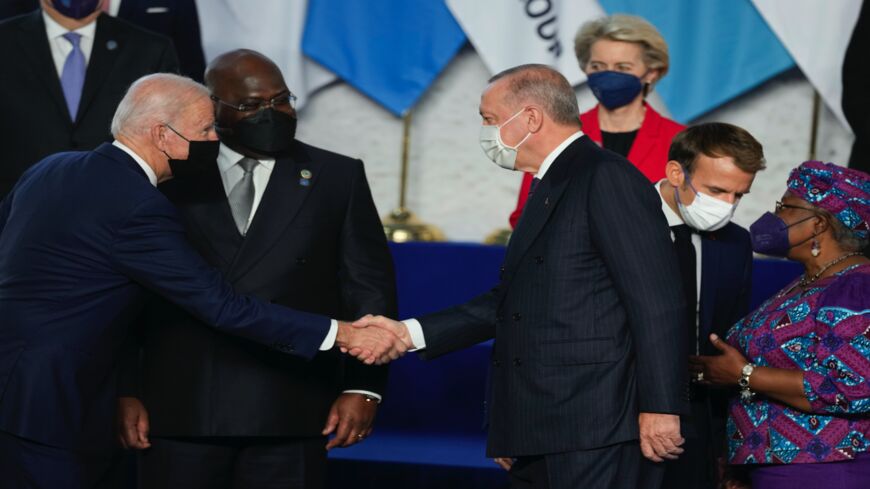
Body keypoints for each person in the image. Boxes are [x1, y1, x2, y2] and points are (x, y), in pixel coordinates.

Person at [0, 73, 404, 489]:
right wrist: (342, 334)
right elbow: (220, 305)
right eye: (206, 129)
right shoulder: (139, 205)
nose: (215, 139)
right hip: (48, 401)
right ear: (161, 134)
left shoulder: (50, 168)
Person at [357, 64, 688, 489]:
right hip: (540, 423)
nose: (484, 130)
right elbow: (514, 301)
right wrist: (407, 334)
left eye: (489, 119)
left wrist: (661, 407)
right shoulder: (548, 183)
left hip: (595, 427)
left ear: (530, 118)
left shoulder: (606, 176)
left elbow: (657, 302)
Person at [116, 50, 397, 489]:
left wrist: (364, 387)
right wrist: (124, 388)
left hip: (293, 406)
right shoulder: (169, 172)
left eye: (281, 100)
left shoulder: (336, 175)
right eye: (250, 105)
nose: (271, 113)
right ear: (213, 106)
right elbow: (127, 293)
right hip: (179, 404)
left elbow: (368, 289)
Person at [690, 161, 870, 489]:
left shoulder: (855, 288)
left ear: (817, 224)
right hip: (771, 468)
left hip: (825, 470)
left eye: (785, 207)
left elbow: (850, 389)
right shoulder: (805, 283)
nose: (775, 217)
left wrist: (743, 375)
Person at [639, 122, 765, 489]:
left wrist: (726, 442)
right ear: (676, 173)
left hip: (694, 413)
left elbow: (729, 336)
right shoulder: (618, 221)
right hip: (611, 411)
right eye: (716, 190)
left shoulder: (735, 243)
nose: (726, 206)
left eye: (738, 195)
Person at [509, 14, 685, 228]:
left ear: (651, 73)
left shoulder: (680, 141)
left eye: (622, 67)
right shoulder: (552, 136)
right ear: (585, 68)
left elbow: (692, 219)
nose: (608, 75)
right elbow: (525, 219)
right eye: (598, 66)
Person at [0, 0, 180, 198]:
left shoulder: (151, 50)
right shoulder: (6, 42)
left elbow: (168, 140)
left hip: (120, 206)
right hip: (15, 208)